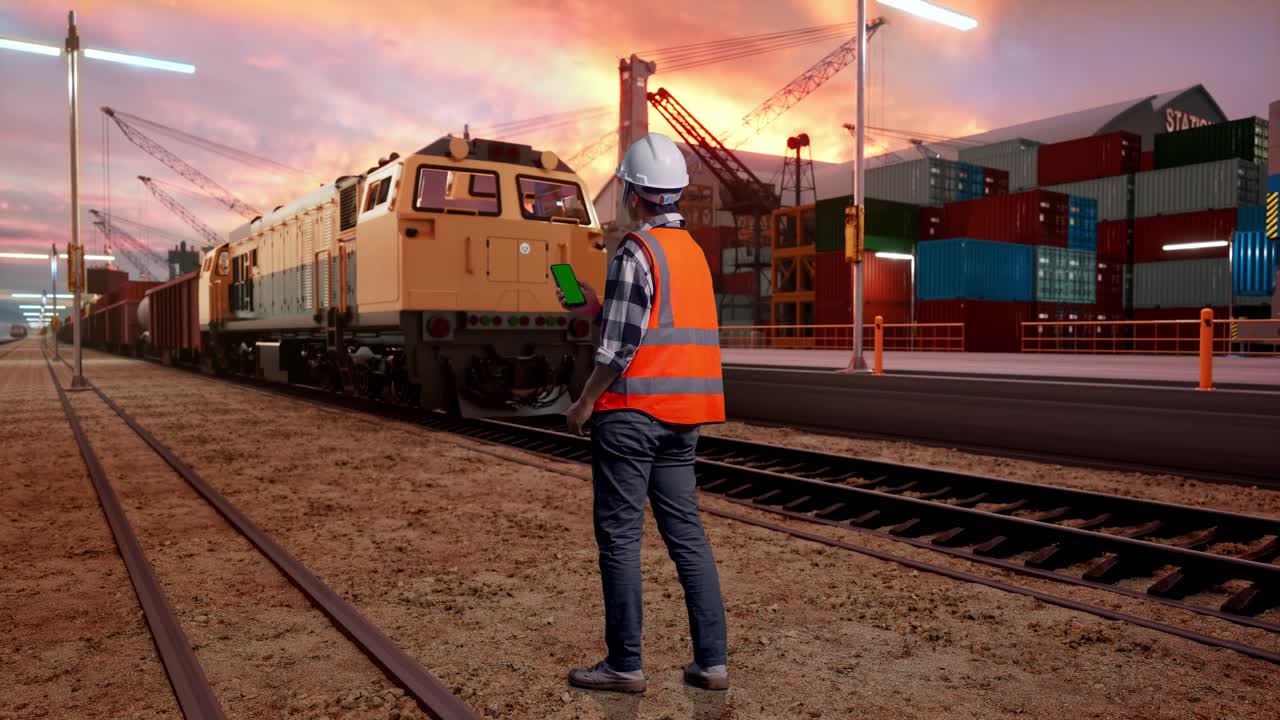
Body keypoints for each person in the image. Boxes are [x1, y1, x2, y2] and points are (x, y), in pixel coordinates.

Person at [557, 132, 729, 694]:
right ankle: (711, 663)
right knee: (687, 537)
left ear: (633, 194)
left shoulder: (636, 251)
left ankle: (625, 666)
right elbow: (659, 323)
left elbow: (618, 350)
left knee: (621, 539)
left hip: (632, 414)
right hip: (685, 417)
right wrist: (600, 305)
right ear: (675, 194)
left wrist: (583, 404)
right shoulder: (692, 255)